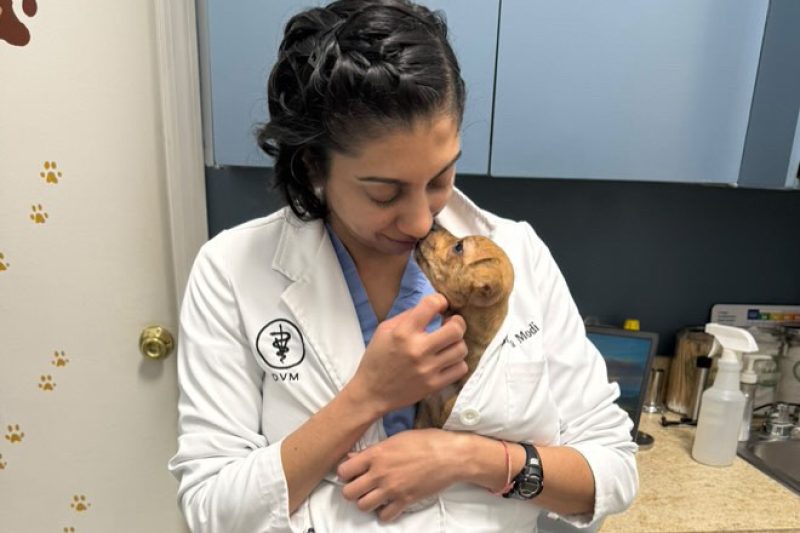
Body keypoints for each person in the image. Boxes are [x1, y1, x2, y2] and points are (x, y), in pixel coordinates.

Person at [167, 1, 638, 531]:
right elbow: (211, 510)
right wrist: (367, 397)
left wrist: (466, 459)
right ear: (313, 166)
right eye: (385, 193)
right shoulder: (232, 270)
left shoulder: (516, 254)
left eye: (440, 179)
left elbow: (613, 469)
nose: (419, 221)